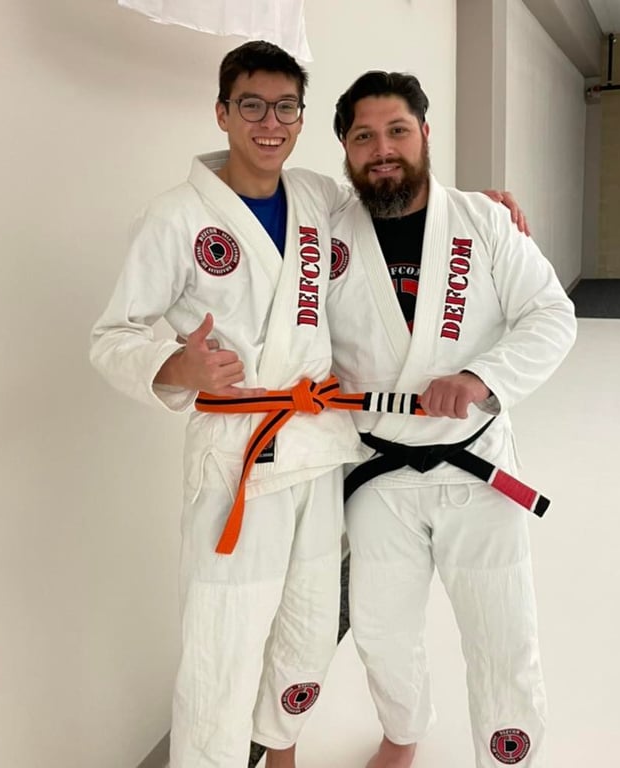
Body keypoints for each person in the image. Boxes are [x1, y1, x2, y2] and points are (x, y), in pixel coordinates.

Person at [90, 41, 529, 768]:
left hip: (320, 449)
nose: (270, 123)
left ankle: (281, 749)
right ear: (222, 113)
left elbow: (397, 199)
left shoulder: (317, 197)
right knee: (224, 642)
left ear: (300, 118)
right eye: (252, 106)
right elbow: (113, 337)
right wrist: (175, 364)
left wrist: (477, 208)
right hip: (239, 456)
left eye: (285, 107)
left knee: (309, 626)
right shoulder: (173, 218)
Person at [327, 71, 577, 768]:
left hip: (477, 463)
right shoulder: (325, 234)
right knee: (380, 628)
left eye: (397, 131)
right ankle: (402, 731)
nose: (382, 149)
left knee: (502, 630)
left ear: (425, 134)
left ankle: (507, 755)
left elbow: (551, 314)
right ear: (345, 150)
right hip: (378, 469)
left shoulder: (482, 220)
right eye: (364, 136)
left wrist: (480, 379)